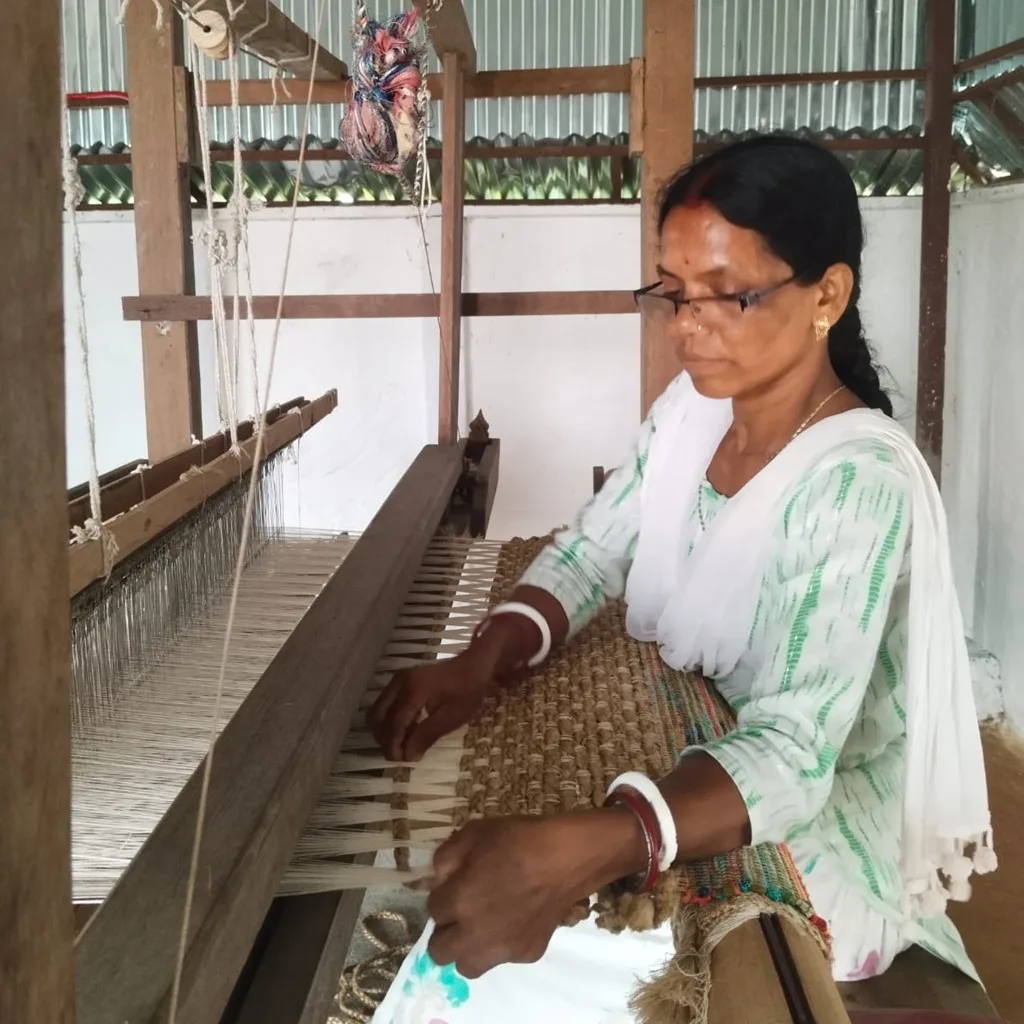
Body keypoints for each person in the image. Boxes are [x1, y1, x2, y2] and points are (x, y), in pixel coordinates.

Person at [367, 136, 995, 1024]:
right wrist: (484, 660)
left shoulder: (858, 483)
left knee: (490, 976)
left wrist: (598, 844)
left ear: (827, 295)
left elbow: (791, 752)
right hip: (700, 754)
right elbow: (594, 549)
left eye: (728, 295)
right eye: (673, 292)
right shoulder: (693, 413)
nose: (686, 325)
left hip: (808, 854)